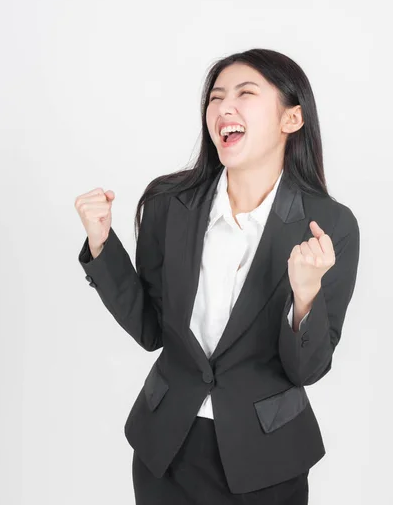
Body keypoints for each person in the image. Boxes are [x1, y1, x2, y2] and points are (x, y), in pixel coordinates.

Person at [75, 48, 360, 504]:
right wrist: (101, 246)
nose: (223, 107)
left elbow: (307, 368)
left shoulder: (329, 224)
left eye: (245, 93)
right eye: (215, 97)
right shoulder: (169, 204)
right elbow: (152, 329)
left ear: (292, 119)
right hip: (166, 448)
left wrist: (305, 296)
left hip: (267, 458)